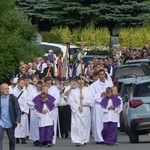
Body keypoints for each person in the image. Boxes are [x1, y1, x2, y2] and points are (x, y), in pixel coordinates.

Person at [89, 69, 113, 144]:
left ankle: (106, 137)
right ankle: (99, 138)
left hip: (107, 104)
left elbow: (113, 92)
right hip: (98, 105)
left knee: (106, 121)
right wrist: (100, 95)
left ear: (105, 75)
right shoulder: (94, 85)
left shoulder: (109, 84)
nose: (102, 76)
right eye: (100, 74)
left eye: (103, 74)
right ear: (98, 75)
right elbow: (91, 95)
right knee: (98, 122)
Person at [69, 77, 94, 146]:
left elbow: (91, 101)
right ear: (77, 83)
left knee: (85, 125)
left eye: (82, 82)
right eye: (79, 82)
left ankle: (84, 139)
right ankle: (77, 140)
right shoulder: (74, 92)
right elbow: (71, 102)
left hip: (85, 110)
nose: (80, 84)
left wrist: (84, 99)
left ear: (84, 83)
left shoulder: (88, 90)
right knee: (77, 125)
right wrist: (77, 106)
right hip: (77, 110)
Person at [0, 83, 21, 150]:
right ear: (1, 90)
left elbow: (17, 109)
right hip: (1, 122)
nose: (7, 90)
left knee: (12, 139)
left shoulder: (12, 98)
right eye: (5, 88)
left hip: (10, 122)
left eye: (8, 88)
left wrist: (18, 119)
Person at [13, 78, 29, 144]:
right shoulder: (14, 91)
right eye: (22, 83)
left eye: (23, 83)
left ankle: (23, 138)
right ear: (18, 83)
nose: (23, 84)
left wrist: (24, 110)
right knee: (17, 124)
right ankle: (16, 137)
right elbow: (14, 101)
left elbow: (27, 101)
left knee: (24, 125)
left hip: (23, 110)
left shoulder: (25, 91)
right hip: (17, 110)